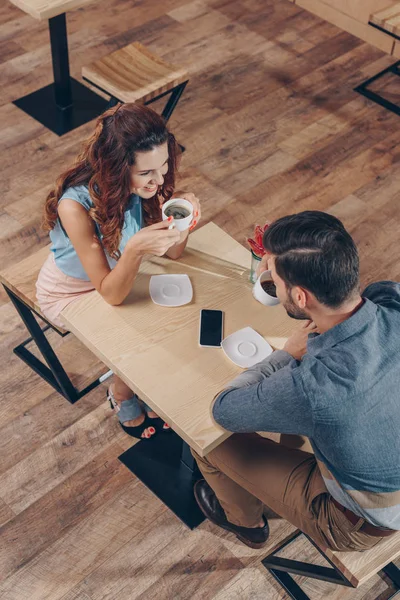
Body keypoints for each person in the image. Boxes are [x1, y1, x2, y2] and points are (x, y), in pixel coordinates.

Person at [192, 211, 400, 551]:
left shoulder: (316, 385)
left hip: (358, 522)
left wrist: (287, 353)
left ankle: (247, 523)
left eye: (274, 279)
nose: (269, 278)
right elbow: (379, 293)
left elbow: (225, 410)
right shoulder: (394, 303)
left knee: (206, 442)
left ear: (301, 298)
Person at [36, 103, 200, 440]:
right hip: (71, 291)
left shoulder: (151, 182)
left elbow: (175, 253)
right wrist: (136, 248)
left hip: (119, 271)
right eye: (146, 173)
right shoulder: (74, 205)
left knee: (172, 312)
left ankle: (139, 384)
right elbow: (109, 293)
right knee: (140, 329)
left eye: (165, 166)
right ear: (116, 168)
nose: (159, 180)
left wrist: (184, 221)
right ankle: (123, 392)